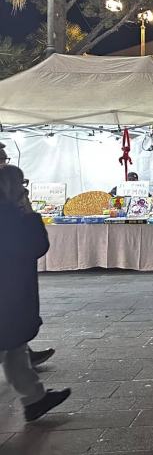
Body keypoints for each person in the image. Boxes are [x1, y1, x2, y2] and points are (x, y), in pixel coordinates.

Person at [0, 164, 71, 421]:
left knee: (16, 348)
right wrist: (30, 213)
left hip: (11, 290)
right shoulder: (8, 217)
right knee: (11, 344)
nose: (24, 188)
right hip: (9, 291)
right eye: (21, 184)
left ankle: (35, 398)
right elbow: (36, 245)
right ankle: (34, 398)